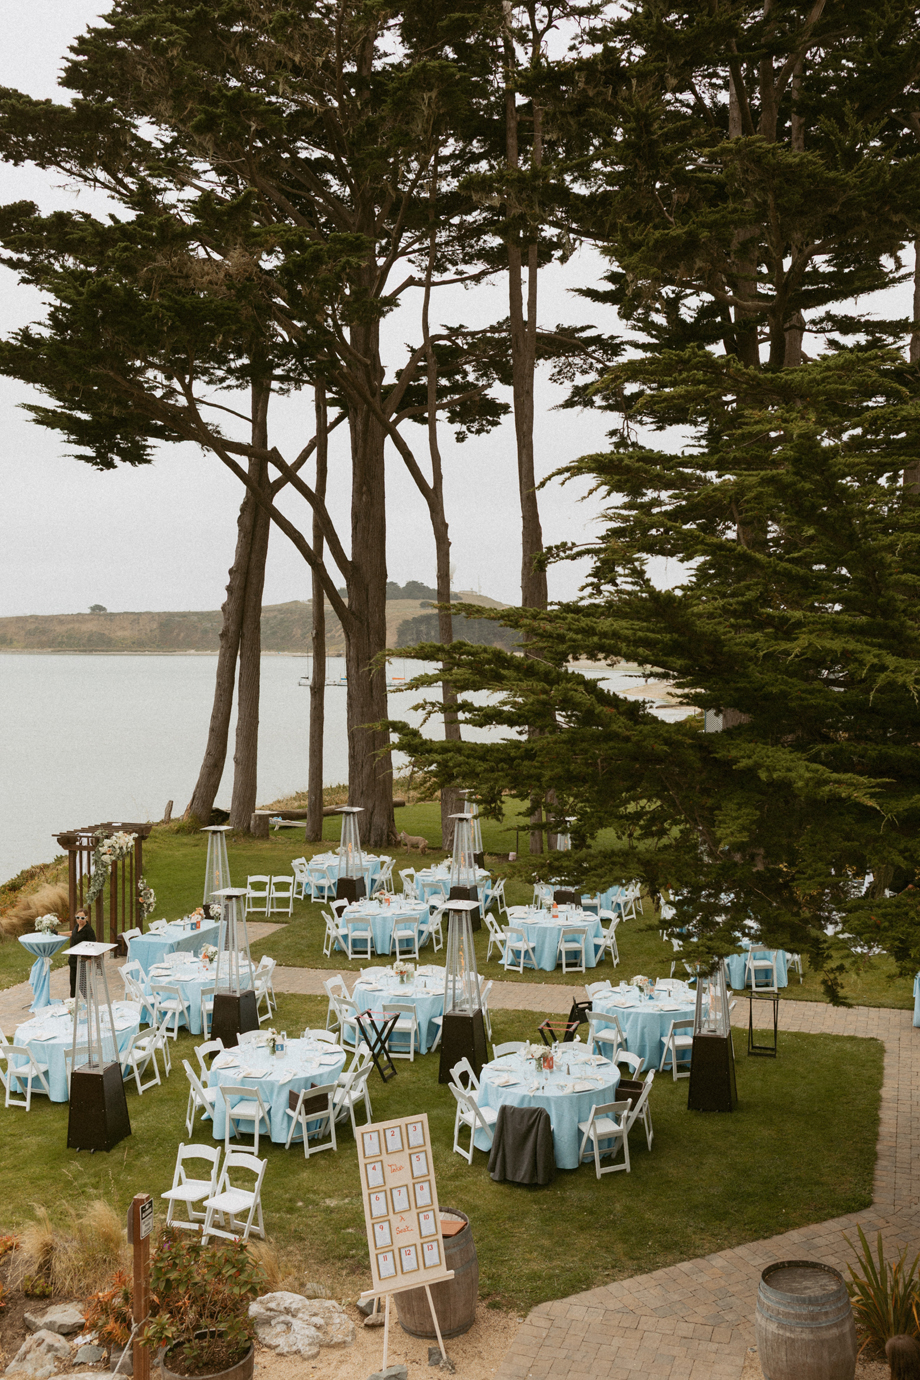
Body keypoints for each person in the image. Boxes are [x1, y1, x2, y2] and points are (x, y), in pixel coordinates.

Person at [68, 908, 96, 998]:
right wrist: (58, 933)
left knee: (83, 983)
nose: (80, 920)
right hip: (73, 959)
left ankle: (90, 1000)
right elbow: (72, 933)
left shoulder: (88, 930)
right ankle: (73, 1001)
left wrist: (90, 961)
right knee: (73, 982)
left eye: (82, 918)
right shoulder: (77, 927)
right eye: (78, 917)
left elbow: (93, 945)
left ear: (87, 918)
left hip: (82, 960)